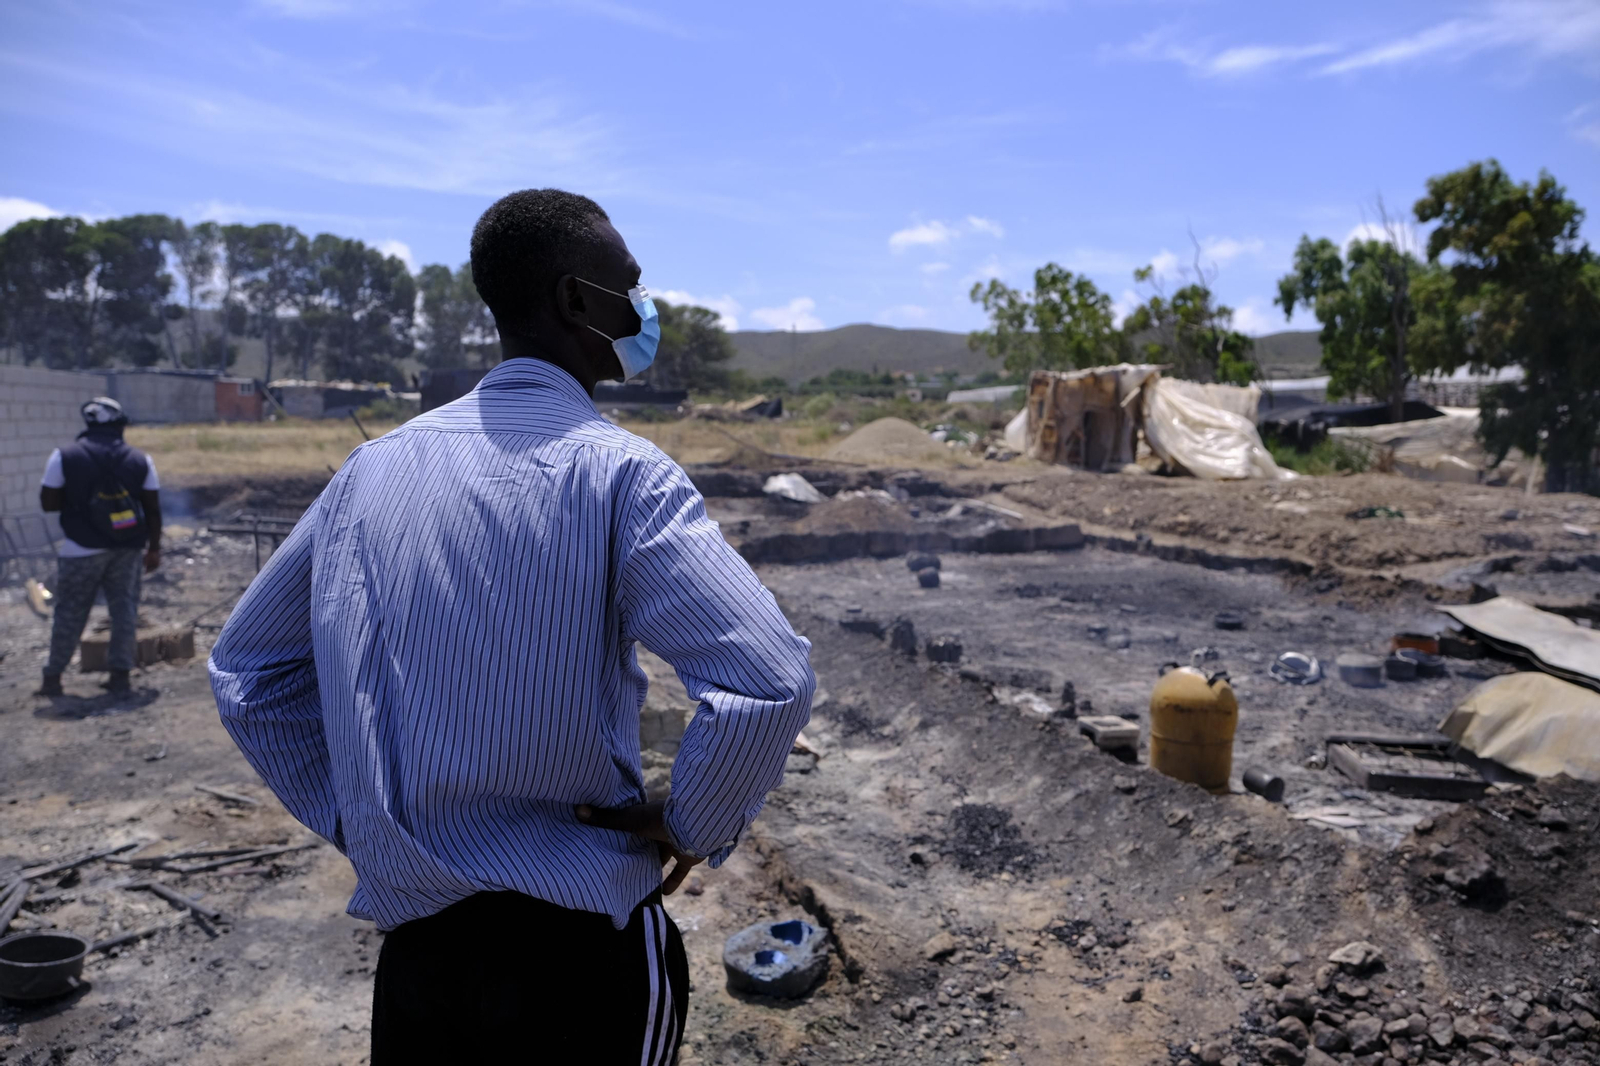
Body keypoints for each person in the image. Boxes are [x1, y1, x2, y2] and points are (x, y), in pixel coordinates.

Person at [208, 189, 815, 1065]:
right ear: (576, 301)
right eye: (631, 287)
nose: (645, 309)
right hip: (582, 954)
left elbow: (250, 674)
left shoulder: (369, 473)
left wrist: (365, 821)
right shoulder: (618, 474)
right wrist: (689, 823)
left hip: (422, 959)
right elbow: (768, 682)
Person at [37, 396, 162, 697]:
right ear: (119, 425)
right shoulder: (140, 460)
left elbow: (48, 503)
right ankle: (120, 676)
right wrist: (154, 548)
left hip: (80, 549)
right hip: (128, 549)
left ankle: (53, 679)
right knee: (124, 610)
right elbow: (153, 509)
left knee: (70, 612)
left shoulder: (63, 456)